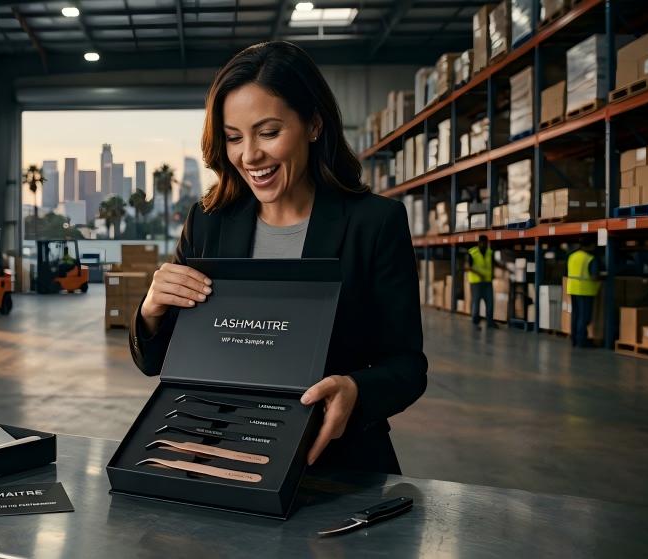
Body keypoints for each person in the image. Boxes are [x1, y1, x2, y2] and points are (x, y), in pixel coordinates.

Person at [128, 42, 427, 475]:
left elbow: (407, 366)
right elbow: (155, 363)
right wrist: (152, 310)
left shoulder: (375, 223)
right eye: (234, 137)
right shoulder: (208, 222)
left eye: (268, 132)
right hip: (223, 457)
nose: (249, 155)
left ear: (313, 124)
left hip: (338, 464)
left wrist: (355, 389)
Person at [566, 238, 601, 348]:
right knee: (584, 317)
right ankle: (582, 341)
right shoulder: (590, 258)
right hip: (585, 291)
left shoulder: (572, 256)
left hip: (572, 289)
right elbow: (594, 276)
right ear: (590, 245)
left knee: (575, 315)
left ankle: (574, 339)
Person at [465, 235, 504, 331]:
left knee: (490, 302)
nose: (484, 245)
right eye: (482, 243)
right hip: (476, 283)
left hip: (487, 282)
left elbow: (494, 263)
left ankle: (490, 322)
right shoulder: (472, 252)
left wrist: (504, 267)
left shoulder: (489, 253)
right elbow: (467, 266)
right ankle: (475, 323)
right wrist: (479, 274)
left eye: (486, 243)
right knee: (476, 303)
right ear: (479, 243)